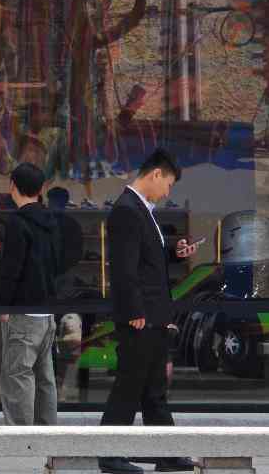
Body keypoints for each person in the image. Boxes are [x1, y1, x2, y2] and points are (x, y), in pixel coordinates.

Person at [97, 150, 198, 474]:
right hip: (139, 317)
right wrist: (134, 311)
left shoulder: (141, 210)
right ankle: (109, 454)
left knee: (154, 390)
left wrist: (176, 253)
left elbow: (146, 259)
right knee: (129, 385)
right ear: (155, 174)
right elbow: (124, 269)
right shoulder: (126, 210)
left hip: (153, 315)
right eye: (168, 184)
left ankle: (166, 454)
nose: (167, 192)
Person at [0, 162, 62, 426]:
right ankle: (47, 432)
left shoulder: (17, 222)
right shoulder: (51, 221)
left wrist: (3, 306)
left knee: (17, 375)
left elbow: (11, 269)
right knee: (45, 377)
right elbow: (58, 263)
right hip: (47, 310)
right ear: (40, 189)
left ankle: (20, 437)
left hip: (23, 311)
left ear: (13, 185)